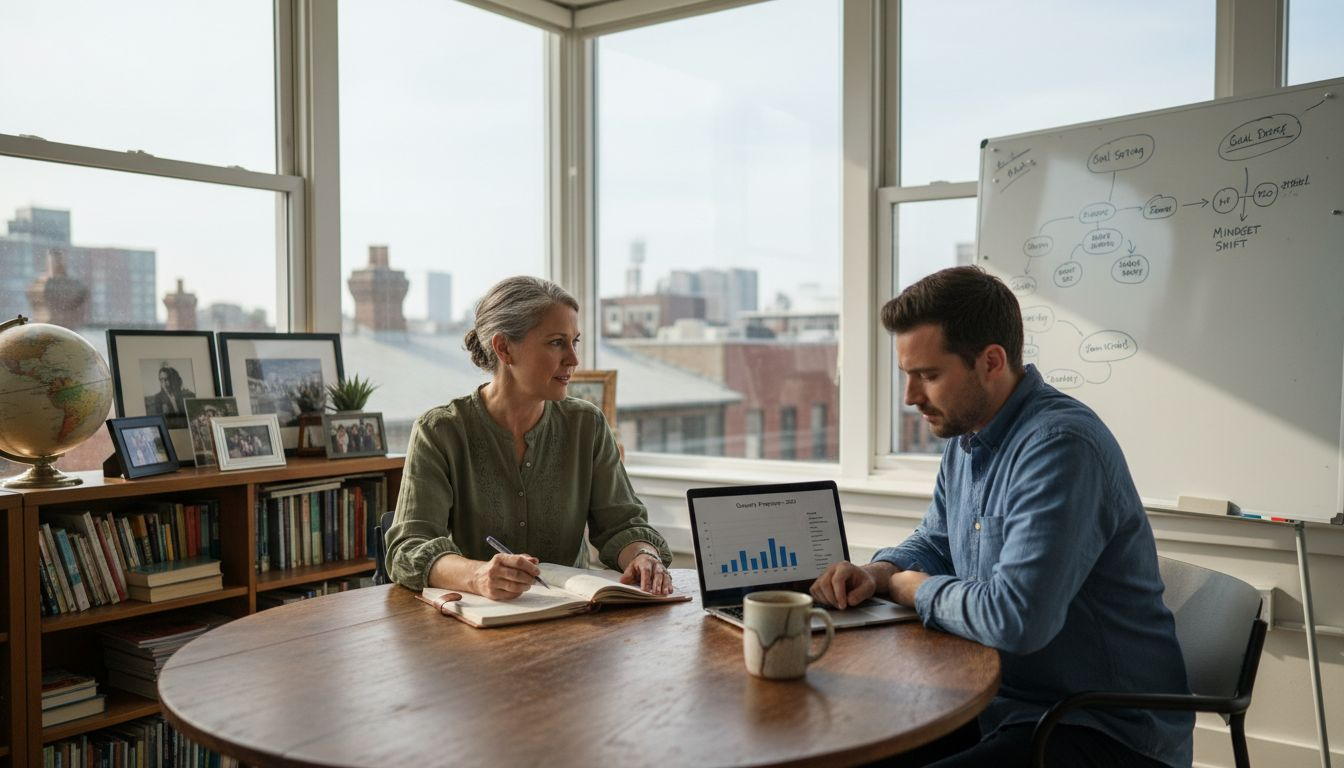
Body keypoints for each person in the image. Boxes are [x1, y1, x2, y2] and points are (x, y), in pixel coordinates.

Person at [809, 266, 1190, 767]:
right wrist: (880, 572)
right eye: (907, 376)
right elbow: (937, 540)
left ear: (991, 361)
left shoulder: (1060, 448)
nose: (911, 398)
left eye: (928, 375)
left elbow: (1016, 619)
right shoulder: (966, 437)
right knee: (845, 749)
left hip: (1100, 728)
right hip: (1000, 703)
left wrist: (911, 588)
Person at [387, 275, 674, 599]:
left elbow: (622, 525)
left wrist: (642, 555)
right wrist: (477, 575)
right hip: (479, 624)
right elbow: (408, 549)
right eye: (556, 342)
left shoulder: (587, 425)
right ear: (504, 348)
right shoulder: (439, 432)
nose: (573, 359)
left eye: (574, 342)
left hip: (574, 619)